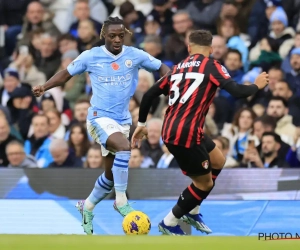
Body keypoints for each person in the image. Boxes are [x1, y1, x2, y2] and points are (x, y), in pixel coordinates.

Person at [32, 16, 170, 235]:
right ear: (104, 35)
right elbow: (66, 75)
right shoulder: (91, 56)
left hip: (122, 121)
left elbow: (162, 67)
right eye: (112, 35)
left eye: (120, 36)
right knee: (125, 148)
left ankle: (86, 207)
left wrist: (172, 85)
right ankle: (121, 200)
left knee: (110, 175)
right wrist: (45, 86)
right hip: (98, 118)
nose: (117, 40)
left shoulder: (134, 55)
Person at [131, 30, 269, 235]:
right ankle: (169, 222)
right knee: (204, 184)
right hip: (185, 134)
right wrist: (257, 85)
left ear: (189, 48)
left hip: (176, 129)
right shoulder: (212, 67)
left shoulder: (177, 69)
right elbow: (238, 92)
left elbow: (150, 93)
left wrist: (141, 123)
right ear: (211, 49)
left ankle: (193, 208)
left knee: (218, 160)